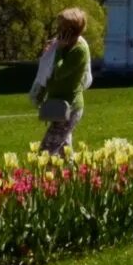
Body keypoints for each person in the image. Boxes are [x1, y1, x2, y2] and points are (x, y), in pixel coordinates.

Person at [29, 8, 93, 157]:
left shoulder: (79, 51)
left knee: (46, 150)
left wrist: (58, 50)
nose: (58, 31)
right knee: (65, 150)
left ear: (71, 30)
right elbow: (49, 72)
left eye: (62, 27)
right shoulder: (64, 46)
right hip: (59, 104)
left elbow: (59, 72)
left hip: (70, 107)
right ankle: (72, 176)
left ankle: (41, 178)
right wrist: (52, 51)